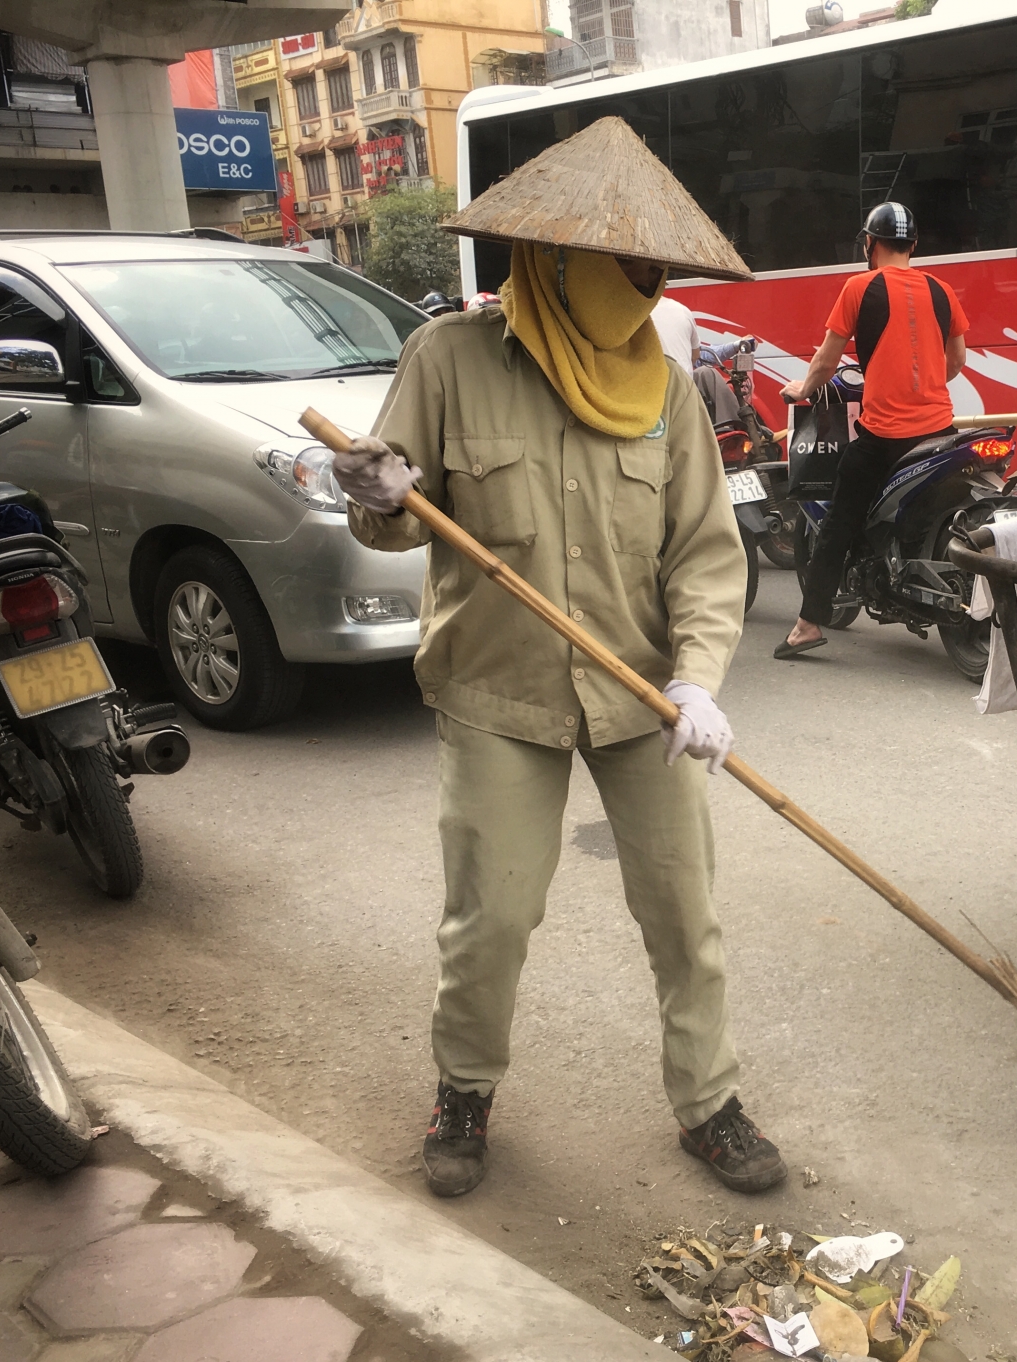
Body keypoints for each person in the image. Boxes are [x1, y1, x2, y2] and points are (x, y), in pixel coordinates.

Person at [330, 117, 789, 1200]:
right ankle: (465, 1092)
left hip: (640, 693)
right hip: (499, 694)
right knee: (489, 915)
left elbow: (707, 560)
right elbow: (395, 516)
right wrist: (382, 497)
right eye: (630, 268)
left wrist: (698, 680)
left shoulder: (666, 393)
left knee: (686, 914)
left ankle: (709, 1103)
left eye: (656, 272)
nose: (646, 289)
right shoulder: (446, 359)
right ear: (561, 262)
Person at [776, 203, 968, 659]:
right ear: (914, 245)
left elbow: (826, 361)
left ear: (870, 243)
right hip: (940, 430)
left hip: (885, 436)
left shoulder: (859, 287)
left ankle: (806, 626)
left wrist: (803, 387)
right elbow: (956, 361)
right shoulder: (942, 289)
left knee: (839, 521)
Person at [652, 292, 698, 375]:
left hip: (655, 384)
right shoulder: (683, 311)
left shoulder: (633, 315)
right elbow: (695, 355)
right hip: (685, 384)